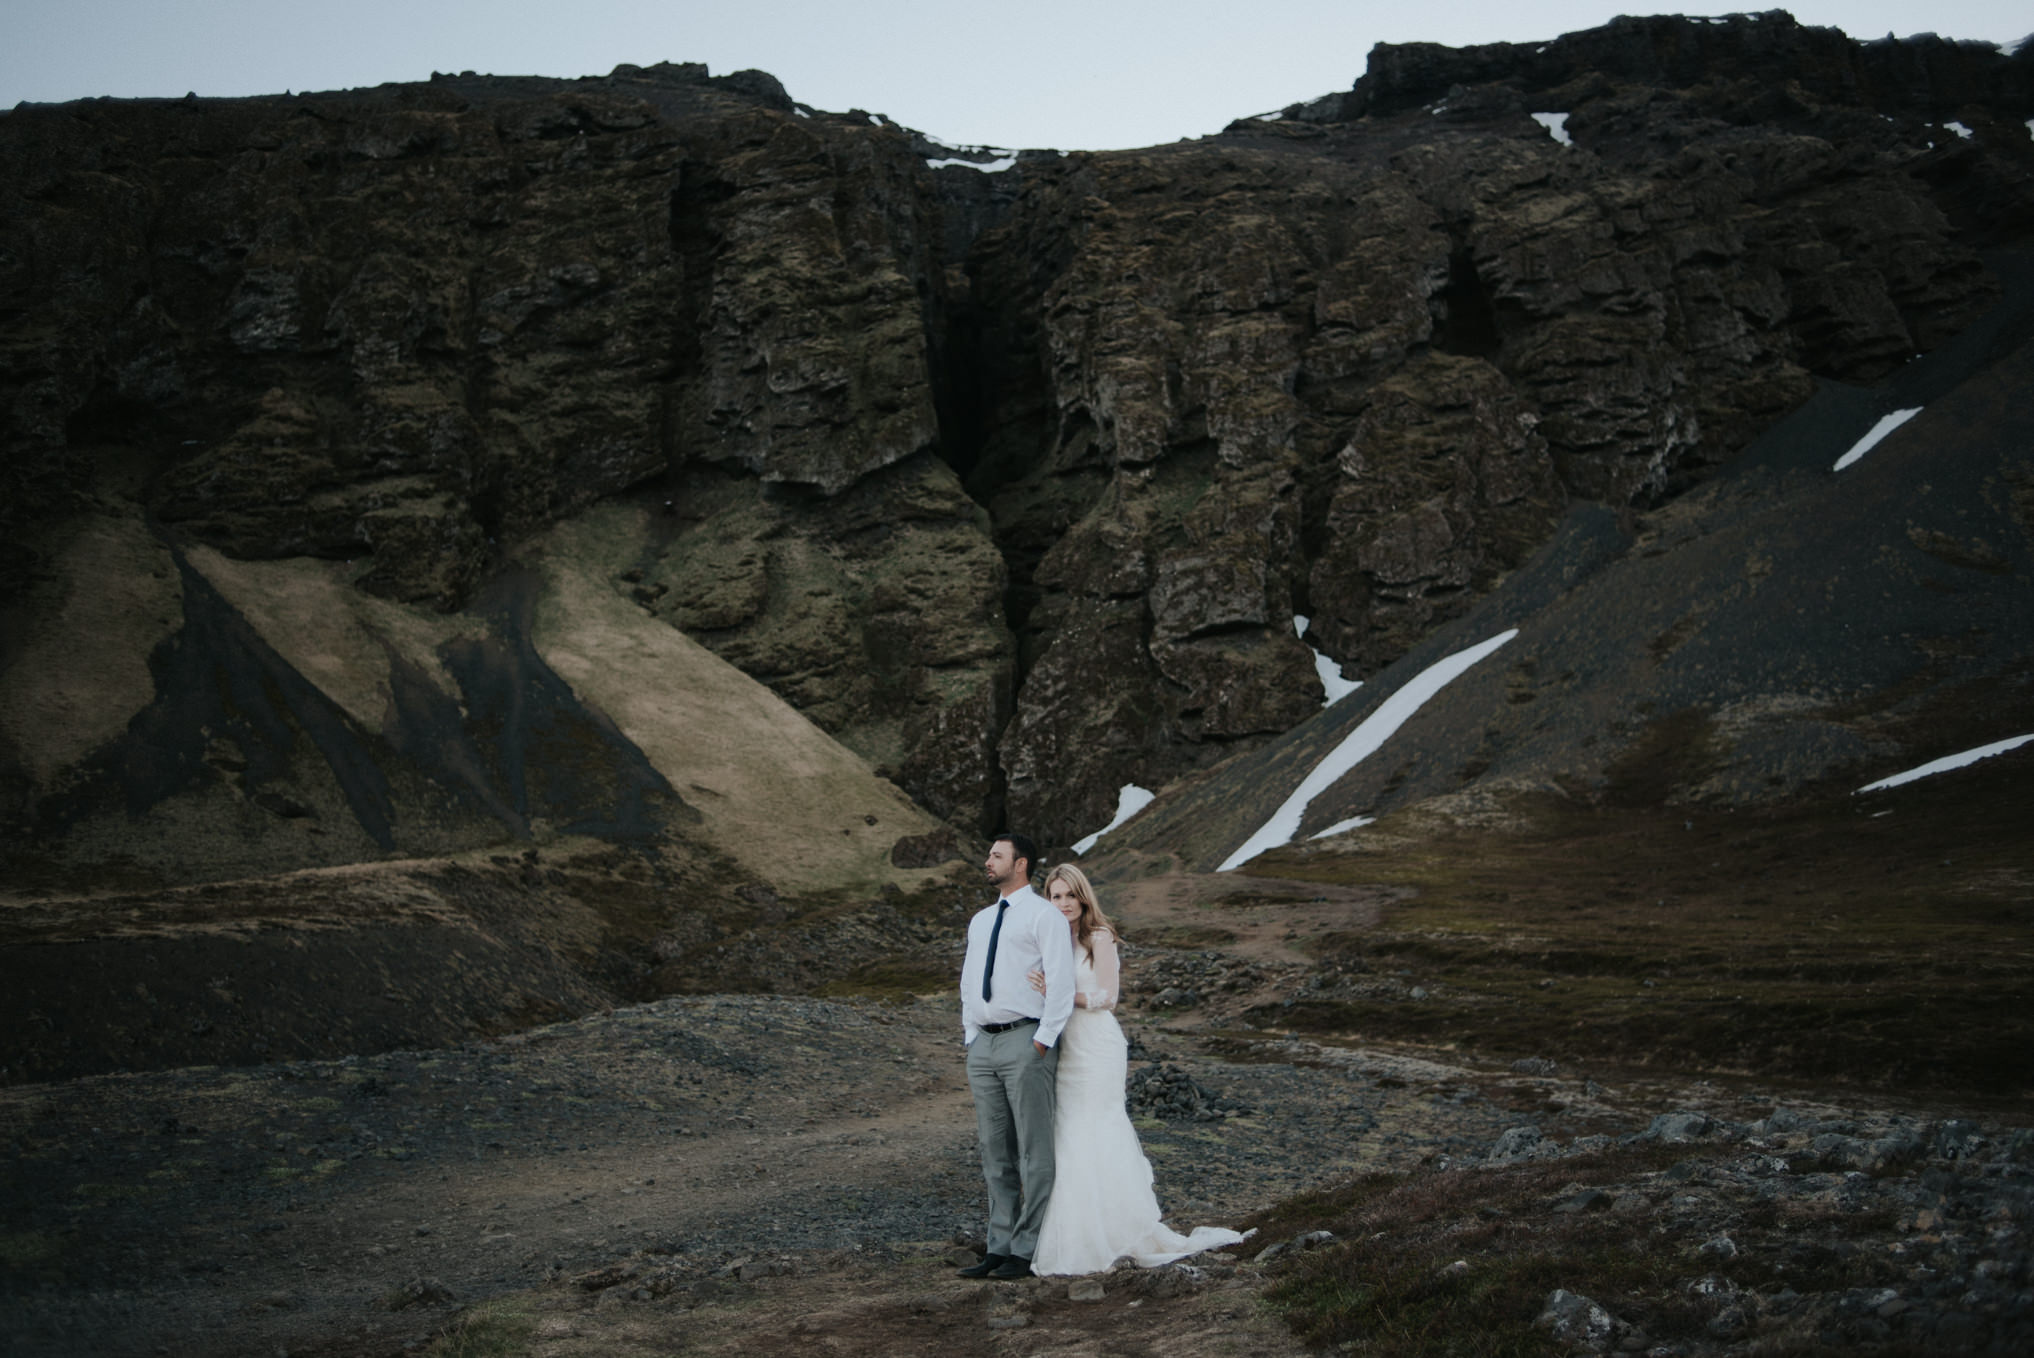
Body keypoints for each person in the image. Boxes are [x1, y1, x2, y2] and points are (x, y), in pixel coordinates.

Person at [1026, 863, 1250, 1276]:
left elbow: (1108, 996)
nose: (1062, 904)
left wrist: (1061, 993)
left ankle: (1117, 1233)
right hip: (1066, 1049)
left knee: (1097, 1127)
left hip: (1096, 1046)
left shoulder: (1100, 937)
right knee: (1069, 1134)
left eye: (1069, 896)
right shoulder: (1052, 939)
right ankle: (1079, 1237)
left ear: (1083, 897)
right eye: (1055, 896)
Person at [956, 832, 1076, 1280]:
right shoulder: (980, 920)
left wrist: (1042, 1041)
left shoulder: (1044, 916)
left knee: (1034, 1150)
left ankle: (1026, 1250)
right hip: (984, 1045)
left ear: (1020, 864)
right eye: (989, 854)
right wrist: (971, 1033)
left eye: (996, 855)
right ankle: (998, 1247)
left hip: (1026, 1041)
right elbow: (970, 978)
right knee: (994, 1150)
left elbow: (1061, 983)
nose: (987, 861)